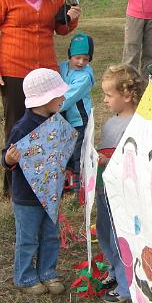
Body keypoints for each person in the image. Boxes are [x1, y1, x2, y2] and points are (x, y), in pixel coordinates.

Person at [0, 0, 81, 196]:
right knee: (17, 127)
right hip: (13, 70)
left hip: (46, 72)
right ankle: (14, 187)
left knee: (49, 126)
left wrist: (71, 20)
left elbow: (58, 29)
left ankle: (46, 180)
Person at [2, 68, 72, 295]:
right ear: (46, 99)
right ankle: (24, 276)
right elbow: (7, 156)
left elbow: (61, 152)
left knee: (51, 235)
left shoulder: (56, 121)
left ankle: (48, 272)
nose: (63, 98)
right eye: (59, 95)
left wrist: (67, 170)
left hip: (50, 194)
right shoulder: (22, 127)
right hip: (27, 198)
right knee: (28, 238)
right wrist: (9, 159)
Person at [96, 64, 146, 303]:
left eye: (108, 95)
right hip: (106, 190)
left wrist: (109, 160)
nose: (105, 100)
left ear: (127, 96)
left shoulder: (139, 124)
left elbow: (135, 160)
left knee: (122, 236)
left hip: (126, 195)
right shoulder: (112, 122)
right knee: (106, 231)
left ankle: (127, 286)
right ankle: (115, 271)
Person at [59, 33, 95, 191]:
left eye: (86, 59)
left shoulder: (84, 77)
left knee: (77, 153)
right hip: (65, 120)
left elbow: (67, 98)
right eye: (77, 57)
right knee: (65, 149)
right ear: (70, 55)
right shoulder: (62, 67)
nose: (81, 62)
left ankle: (78, 187)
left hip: (79, 120)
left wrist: (49, 108)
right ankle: (66, 182)